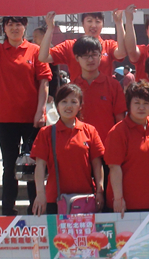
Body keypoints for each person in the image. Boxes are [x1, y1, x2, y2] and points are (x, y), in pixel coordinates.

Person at [0, 8, 52, 216]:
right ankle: (8, 210)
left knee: (34, 165)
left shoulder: (35, 51)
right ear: (4, 29)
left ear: (25, 27)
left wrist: (41, 110)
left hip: (32, 119)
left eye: (18, 24)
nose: (14, 28)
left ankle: (36, 209)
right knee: (9, 166)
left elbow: (44, 82)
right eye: (10, 24)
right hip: (6, 119)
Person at [31, 84, 105, 215]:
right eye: (64, 101)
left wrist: (99, 191)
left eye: (73, 102)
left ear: (80, 106)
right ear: (57, 105)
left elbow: (97, 164)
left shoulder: (90, 131)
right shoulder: (46, 133)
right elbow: (40, 166)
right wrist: (40, 194)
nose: (68, 106)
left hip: (85, 198)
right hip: (55, 199)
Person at [105, 81, 149, 215]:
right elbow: (114, 167)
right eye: (137, 103)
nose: (141, 107)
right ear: (129, 104)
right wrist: (118, 198)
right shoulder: (118, 131)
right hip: (124, 205)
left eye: (146, 103)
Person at [69, 36, 126, 142]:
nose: (90, 59)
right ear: (77, 58)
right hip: (79, 144)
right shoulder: (72, 88)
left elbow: (120, 120)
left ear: (100, 56)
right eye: (85, 55)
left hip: (107, 145)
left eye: (94, 55)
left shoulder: (113, 85)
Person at [39, 11, 127, 79]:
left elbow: (122, 53)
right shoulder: (70, 46)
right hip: (78, 95)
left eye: (97, 21)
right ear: (82, 23)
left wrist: (119, 23)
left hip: (104, 95)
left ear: (102, 24)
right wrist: (50, 29)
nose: (93, 25)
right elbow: (43, 57)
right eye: (89, 21)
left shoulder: (108, 45)